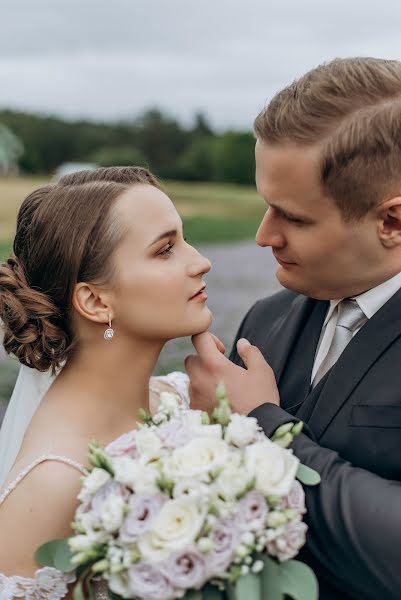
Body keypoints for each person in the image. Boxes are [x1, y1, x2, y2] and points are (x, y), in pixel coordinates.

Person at [186, 57, 401, 600]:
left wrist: (259, 423)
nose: (263, 236)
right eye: (265, 206)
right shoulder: (265, 318)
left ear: (393, 222)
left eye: (294, 218)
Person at [0, 166, 211, 599]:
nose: (201, 261)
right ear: (95, 301)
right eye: (165, 249)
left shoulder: (184, 399)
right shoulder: (53, 484)